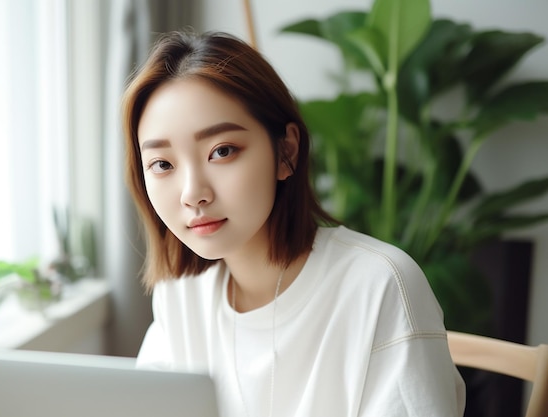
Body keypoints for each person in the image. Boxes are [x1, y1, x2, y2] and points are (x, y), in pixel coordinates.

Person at [121, 30, 465, 417]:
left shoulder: (380, 287)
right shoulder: (182, 296)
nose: (192, 193)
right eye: (162, 164)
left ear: (286, 151)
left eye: (222, 151)